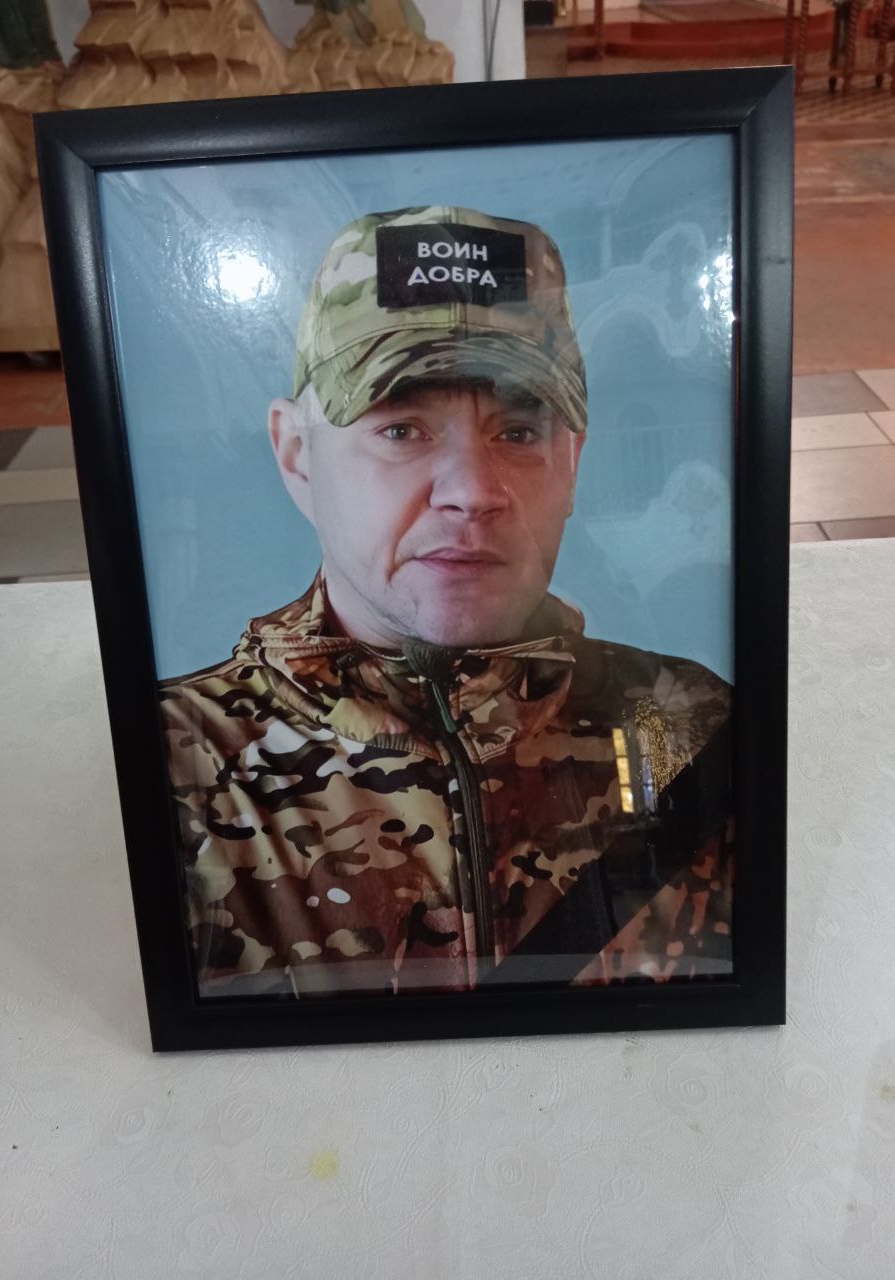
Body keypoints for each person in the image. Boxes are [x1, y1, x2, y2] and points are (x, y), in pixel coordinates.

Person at [159, 205, 733, 998]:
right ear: (297, 455)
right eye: (402, 430)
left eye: (519, 432)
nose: (472, 492)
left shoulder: (687, 725)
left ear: (571, 464)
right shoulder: (180, 768)